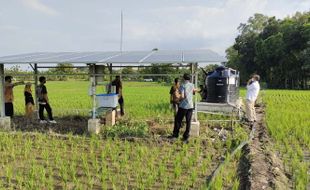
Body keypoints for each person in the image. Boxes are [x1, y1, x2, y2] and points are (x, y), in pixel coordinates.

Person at [169, 73, 197, 142]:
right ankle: (186, 137)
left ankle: (175, 135)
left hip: (183, 106)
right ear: (189, 79)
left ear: (184, 78)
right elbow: (193, 92)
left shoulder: (183, 85)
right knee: (188, 121)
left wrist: (177, 100)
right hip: (190, 106)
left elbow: (182, 96)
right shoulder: (192, 85)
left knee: (178, 120)